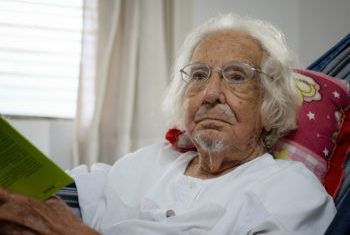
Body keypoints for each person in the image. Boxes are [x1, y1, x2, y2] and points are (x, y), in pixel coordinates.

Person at [0, 14, 336, 234]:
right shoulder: (143, 163)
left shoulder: (290, 190)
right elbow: (63, 192)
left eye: (236, 76)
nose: (211, 93)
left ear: (269, 106)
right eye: (199, 76)